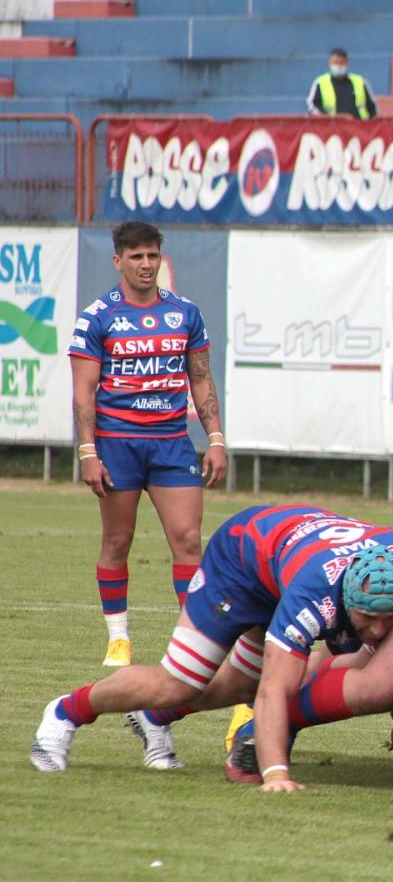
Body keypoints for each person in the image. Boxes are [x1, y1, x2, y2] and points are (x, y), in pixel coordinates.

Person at [29, 506, 393, 788]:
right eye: (367, 617)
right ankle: (66, 711)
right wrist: (276, 774)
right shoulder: (313, 596)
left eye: (387, 618)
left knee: (244, 684)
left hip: (286, 554)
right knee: (177, 683)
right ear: (345, 600)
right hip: (241, 562)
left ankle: (154, 717)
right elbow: (275, 689)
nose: (378, 629)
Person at [70, 221, 226, 668]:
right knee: (117, 540)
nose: (145, 264)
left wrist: (216, 439)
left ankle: (194, 643)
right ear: (117, 261)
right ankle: (118, 638)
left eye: (152, 255)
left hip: (172, 443)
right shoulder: (97, 317)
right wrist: (88, 452)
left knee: (189, 541)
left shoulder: (185, 313)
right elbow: (84, 392)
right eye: (136, 256)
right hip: (117, 444)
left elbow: (201, 379)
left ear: (161, 258)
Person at [307, 48, 377, 120]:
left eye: (342, 63)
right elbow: (312, 106)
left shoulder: (360, 82)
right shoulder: (320, 82)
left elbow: (372, 107)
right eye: (335, 63)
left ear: (347, 63)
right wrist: (329, 118)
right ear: (329, 63)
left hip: (359, 125)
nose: (339, 66)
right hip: (332, 125)